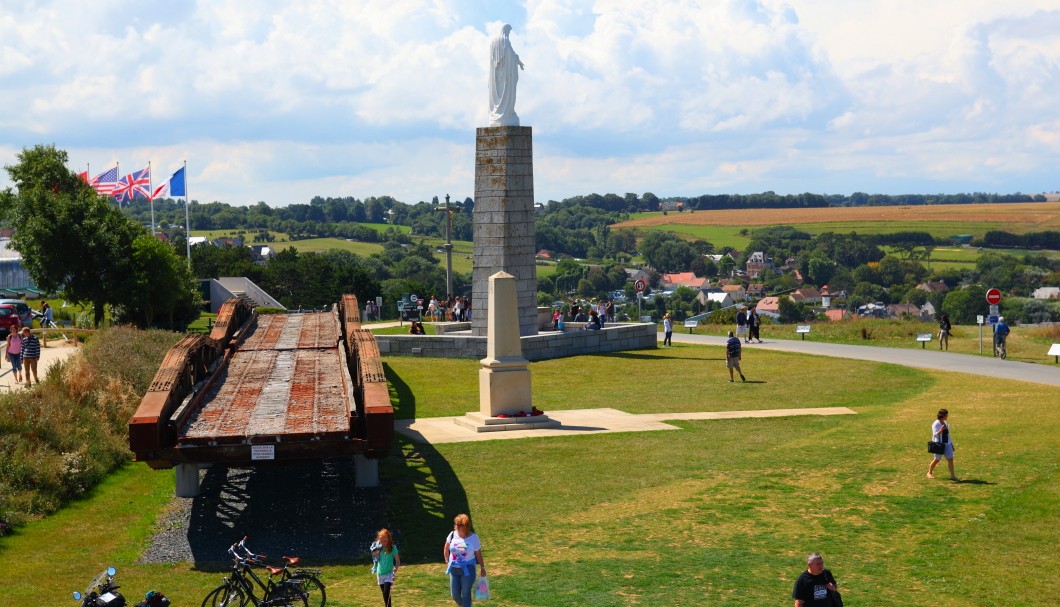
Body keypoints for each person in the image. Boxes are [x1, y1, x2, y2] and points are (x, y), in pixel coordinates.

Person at [444, 513, 486, 607]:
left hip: (468, 570)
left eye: (460, 525)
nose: (457, 527)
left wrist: (482, 567)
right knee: (455, 595)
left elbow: (478, 553)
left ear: (466, 526)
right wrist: (447, 560)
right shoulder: (452, 535)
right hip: (454, 569)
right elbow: (446, 547)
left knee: (466, 594)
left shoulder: (473, 538)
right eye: (456, 524)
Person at [488, 23, 524, 127]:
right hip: (506, 74)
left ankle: (497, 113)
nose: (508, 34)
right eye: (508, 31)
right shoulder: (505, 41)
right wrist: (518, 60)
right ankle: (506, 113)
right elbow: (510, 54)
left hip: (496, 74)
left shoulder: (493, 42)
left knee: (498, 93)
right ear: (506, 30)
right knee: (506, 92)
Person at [372, 528, 401, 607]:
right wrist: (375, 553)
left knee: (387, 591)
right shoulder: (378, 548)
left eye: (385, 541)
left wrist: (396, 567)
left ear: (389, 539)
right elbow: (374, 557)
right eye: (381, 541)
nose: (383, 543)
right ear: (379, 540)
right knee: (385, 595)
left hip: (389, 573)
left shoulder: (393, 548)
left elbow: (397, 560)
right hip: (380, 573)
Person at [928, 408, 958, 481]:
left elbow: (948, 435)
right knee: (937, 459)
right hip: (939, 445)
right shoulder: (936, 423)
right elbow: (935, 435)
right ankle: (929, 473)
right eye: (946, 415)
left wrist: (951, 445)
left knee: (950, 459)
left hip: (947, 444)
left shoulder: (945, 423)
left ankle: (952, 476)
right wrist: (940, 430)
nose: (947, 416)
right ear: (943, 415)